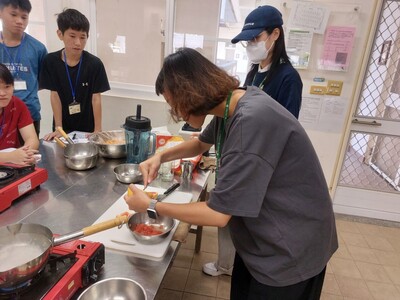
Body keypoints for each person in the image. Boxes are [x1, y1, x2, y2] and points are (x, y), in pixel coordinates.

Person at [125, 48, 338, 300]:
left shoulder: (250, 121)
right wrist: (159, 155)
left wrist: (151, 205)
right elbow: (200, 144)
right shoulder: (232, 105)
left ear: (191, 92)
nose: (179, 114)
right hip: (261, 244)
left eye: (176, 105)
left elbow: (217, 214)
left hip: (290, 248)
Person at [204, 5, 304, 277]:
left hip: (263, 163)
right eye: (247, 41)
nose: (251, 45)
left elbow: (287, 128)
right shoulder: (252, 73)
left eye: (255, 39)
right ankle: (226, 264)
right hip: (240, 155)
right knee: (228, 215)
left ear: (275, 35)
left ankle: (245, 266)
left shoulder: (288, 79)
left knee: (247, 218)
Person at [40, 8, 110, 140]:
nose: (78, 42)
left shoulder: (94, 64)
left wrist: (97, 130)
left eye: (82, 37)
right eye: (72, 36)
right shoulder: (51, 61)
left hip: (88, 128)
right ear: (60, 34)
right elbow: (54, 95)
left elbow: (96, 98)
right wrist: (58, 128)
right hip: (62, 128)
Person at [0, 0, 47, 137]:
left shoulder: (38, 48)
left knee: (29, 154)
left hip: (29, 114)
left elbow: (41, 81)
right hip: (1, 114)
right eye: (13, 14)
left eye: (24, 17)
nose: (19, 21)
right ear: (1, 13)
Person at [0, 63, 39, 165]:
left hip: (11, 166)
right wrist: (10, 156)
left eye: (7, 87)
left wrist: (25, 154)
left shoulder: (17, 104)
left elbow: (31, 138)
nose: (2, 93)